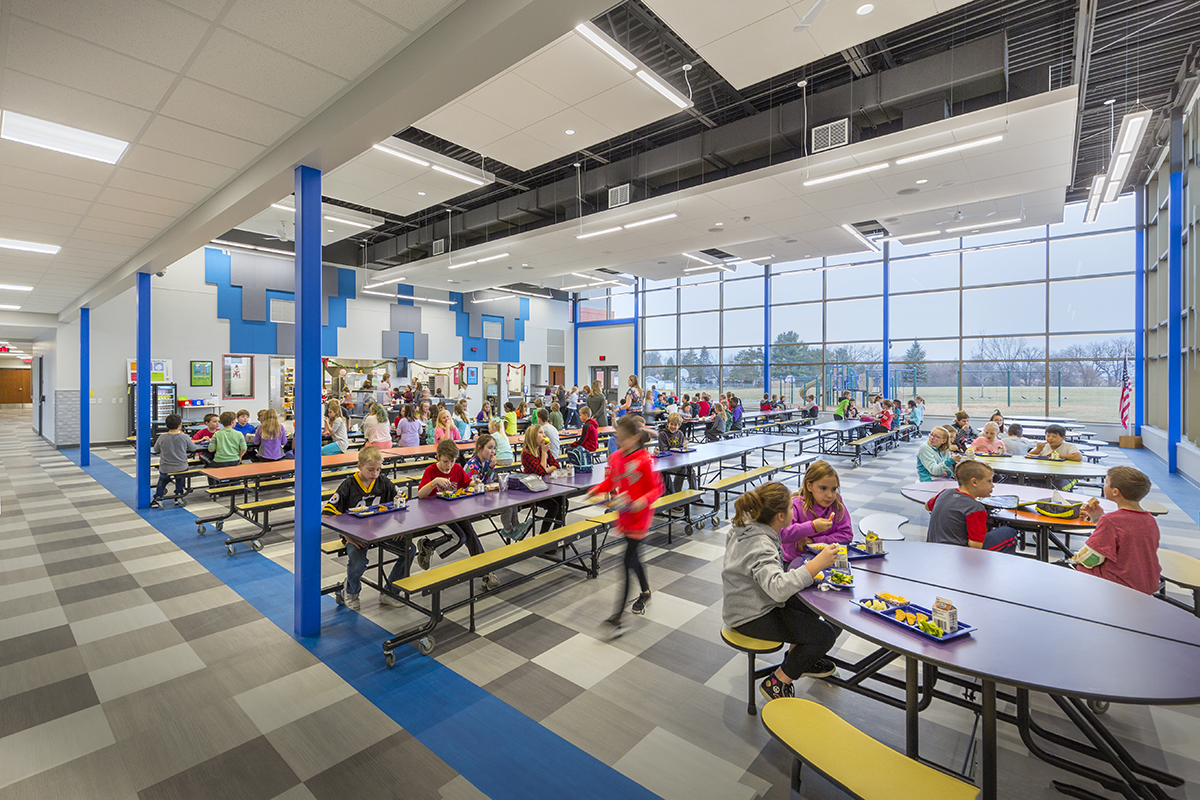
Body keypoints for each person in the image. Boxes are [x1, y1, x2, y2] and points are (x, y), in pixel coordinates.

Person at [722, 481, 840, 701]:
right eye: (789, 509)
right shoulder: (760, 543)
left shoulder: (748, 527)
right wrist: (816, 565)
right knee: (826, 635)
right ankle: (778, 681)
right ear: (779, 516)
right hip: (750, 615)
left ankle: (800, 658)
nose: (792, 513)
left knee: (810, 600)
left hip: (753, 602)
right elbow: (778, 589)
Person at [589, 415, 663, 638]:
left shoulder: (645, 460)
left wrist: (642, 500)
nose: (618, 440)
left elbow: (657, 489)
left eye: (622, 437)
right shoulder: (615, 458)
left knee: (625, 562)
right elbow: (610, 482)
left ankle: (617, 617)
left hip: (639, 519)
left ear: (634, 438)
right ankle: (646, 590)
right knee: (634, 559)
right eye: (617, 437)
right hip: (625, 515)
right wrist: (596, 490)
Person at [322, 446, 403, 611]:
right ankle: (351, 591)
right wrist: (348, 537)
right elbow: (327, 514)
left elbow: (401, 498)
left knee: (409, 549)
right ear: (359, 466)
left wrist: (397, 526)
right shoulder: (348, 485)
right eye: (370, 469)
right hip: (354, 535)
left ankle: (389, 592)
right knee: (357, 562)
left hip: (381, 531)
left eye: (378, 469)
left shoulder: (383, 482)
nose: (375, 473)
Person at [1072, 466, 1161, 595]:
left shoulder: (1111, 520)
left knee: (1063, 568)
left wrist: (1075, 559)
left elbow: (1091, 558)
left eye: (1106, 482)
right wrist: (1098, 518)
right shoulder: (1149, 519)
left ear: (1115, 492)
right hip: (1145, 582)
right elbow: (1124, 540)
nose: (1104, 485)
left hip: (1119, 584)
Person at [414, 439, 490, 582]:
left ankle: (484, 571)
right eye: (445, 462)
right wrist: (434, 482)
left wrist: (476, 483)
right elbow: (420, 494)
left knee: (471, 534)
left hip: (454, 511)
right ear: (438, 456)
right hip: (435, 513)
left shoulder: (457, 469)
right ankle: (428, 545)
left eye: (452, 461)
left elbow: (467, 482)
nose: (448, 465)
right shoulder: (431, 471)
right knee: (460, 538)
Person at [925, 460, 1018, 553]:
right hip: (958, 557)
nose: (992, 485)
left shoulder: (945, 492)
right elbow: (975, 546)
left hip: (934, 550)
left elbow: (928, 506)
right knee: (1008, 532)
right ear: (974, 482)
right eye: (989, 481)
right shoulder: (975, 509)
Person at [779, 460, 853, 568]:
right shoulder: (795, 505)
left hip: (827, 561)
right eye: (823, 488)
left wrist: (814, 541)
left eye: (834, 489)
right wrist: (812, 527)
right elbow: (783, 533)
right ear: (809, 486)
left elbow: (846, 535)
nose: (830, 495)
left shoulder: (837, 505)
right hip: (796, 563)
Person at [522, 424, 565, 533]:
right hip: (532, 490)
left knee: (564, 501)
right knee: (554, 506)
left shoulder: (542, 449)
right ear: (533, 436)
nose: (544, 435)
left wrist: (545, 467)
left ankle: (557, 532)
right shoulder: (526, 453)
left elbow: (556, 465)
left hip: (545, 486)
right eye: (540, 432)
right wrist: (544, 454)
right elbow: (541, 471)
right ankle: (544, 535)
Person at [150, 414, 197, 507]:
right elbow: (193, 449)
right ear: (180, 424)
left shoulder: (162, 437)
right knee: (180, 479)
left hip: (165, 466)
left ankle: (158, 497)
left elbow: (155, 449)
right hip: (181, 466)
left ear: (166, 425)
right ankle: (178, 495)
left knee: (162, 481)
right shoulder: (185, 437)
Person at [657, 412, 693, 494]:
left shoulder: (680, 434)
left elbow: (680, 447)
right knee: (682, 469)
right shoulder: (663, 434)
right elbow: (664, 450)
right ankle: (676, 494)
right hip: (667, 463)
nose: (673, 427)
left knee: (690, 468)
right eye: (671, 424)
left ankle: (695, 492)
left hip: (677, 461)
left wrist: (684, 448)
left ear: (679, 426)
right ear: (668, 423)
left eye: (675, 425)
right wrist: (677, 450)